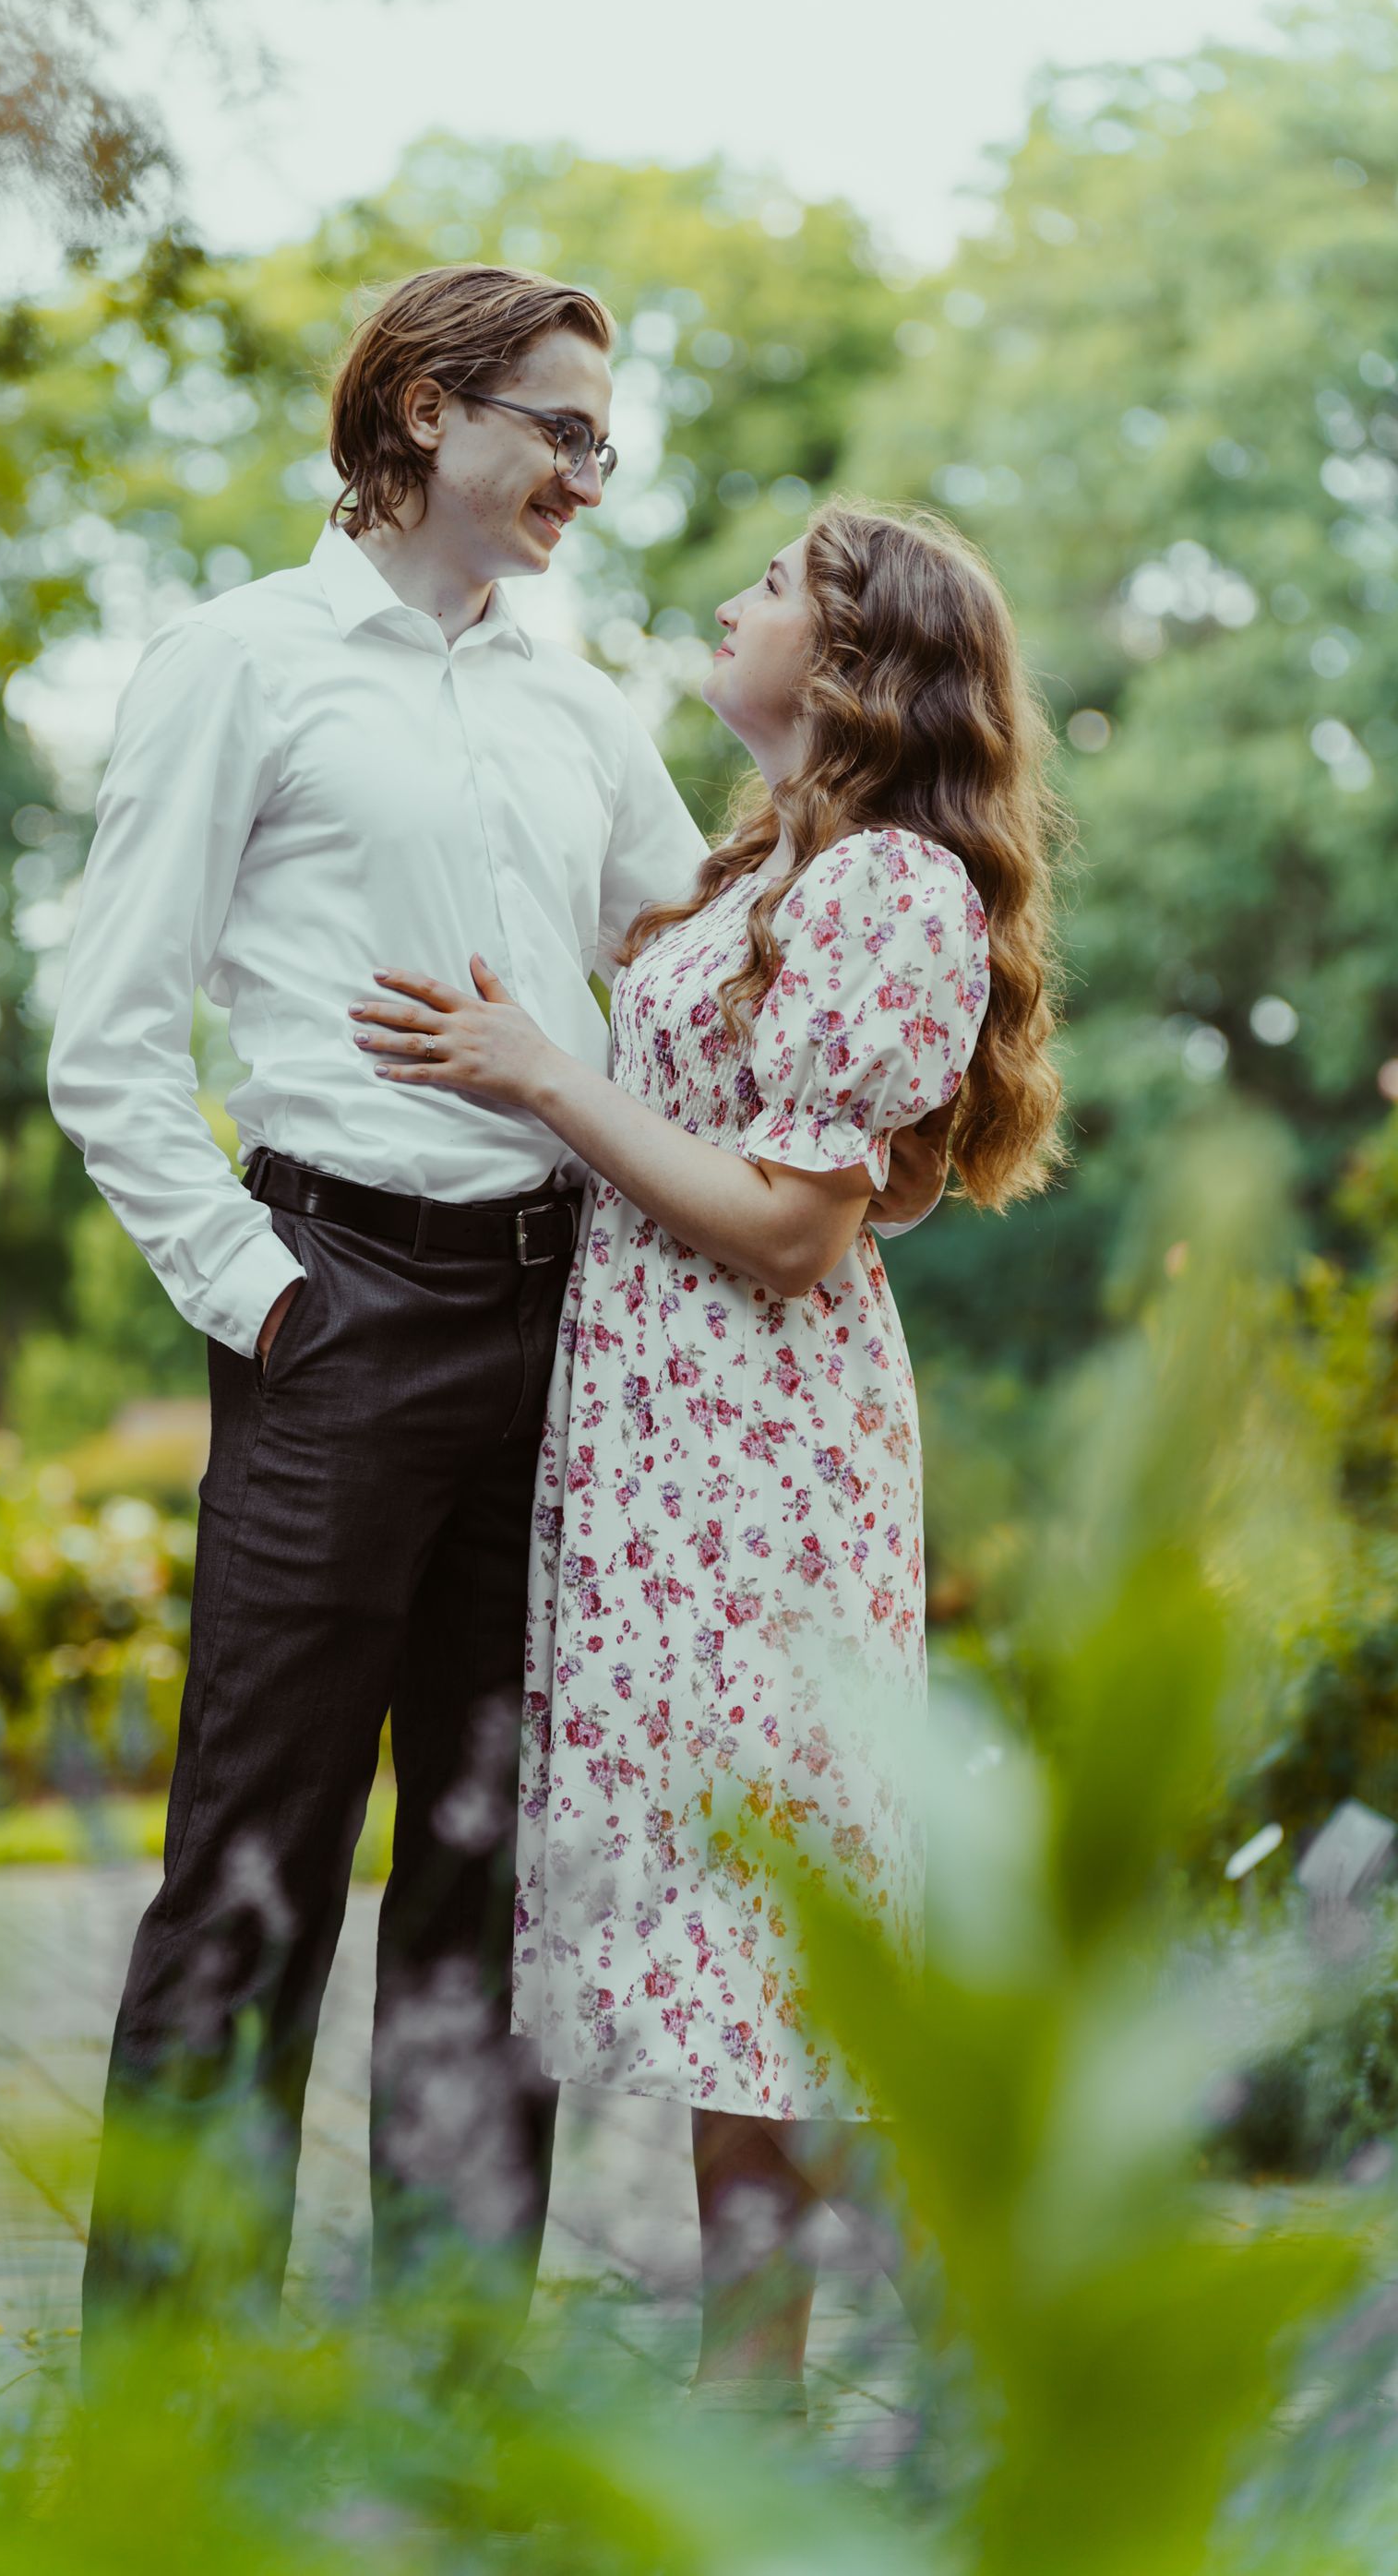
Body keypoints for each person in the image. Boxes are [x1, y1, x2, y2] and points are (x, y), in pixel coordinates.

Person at [48, 268, 950, 2344]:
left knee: (492, 1885)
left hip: (571, 1344)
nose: (586, 478)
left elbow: (723, 955)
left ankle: (452, 2397)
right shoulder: (239, 668)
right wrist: (263, 1297)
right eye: (559, 430)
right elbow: (108, 1034)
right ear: (427, 414)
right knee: (251, 1871)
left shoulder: (574, 710)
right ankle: (156, 2420)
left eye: (601, 443)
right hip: (334, 1301)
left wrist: (899, 1095)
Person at [351, 497, 1065, 2404]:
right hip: (673, 1450)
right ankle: (739, 2407)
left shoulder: (898, 888)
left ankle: (755, 2415)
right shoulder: (774, 873)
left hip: (758, 1466)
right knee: (716, 1931)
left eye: (770, 589)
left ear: (847, 664)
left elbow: (792, 1226)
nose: (728, 603)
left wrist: (541, 1074)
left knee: (767, 1938)